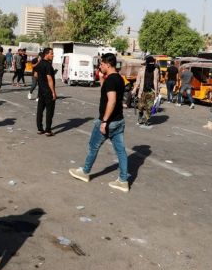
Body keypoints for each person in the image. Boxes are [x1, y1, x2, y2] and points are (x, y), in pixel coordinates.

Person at [69, 53, 129, 193]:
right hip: (119, 120)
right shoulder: (118, 78)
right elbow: (107, 93)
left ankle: (85, 172)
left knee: (93, 147)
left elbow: (112, 100)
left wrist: (104, 121)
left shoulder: (111, 81)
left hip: (109, 122)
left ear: (108, 64)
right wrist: (102, 79)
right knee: (121, 151)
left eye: (101, 64)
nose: (99, 66)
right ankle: (123, 180)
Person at [34, 48, 57, 136]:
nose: (52, 55)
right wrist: (53, 92)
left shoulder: (39, 64)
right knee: (49, 111)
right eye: (51, 53)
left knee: (40, 110)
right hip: (48, 92)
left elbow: (35, 75)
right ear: (46, 54)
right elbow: (49, 79)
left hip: (41, 91)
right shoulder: (48, 65)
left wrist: (41, 81)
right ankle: (48, 130)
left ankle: (40, 129)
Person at [132, 55, 159, 126]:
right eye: (150, 63)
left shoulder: (156, 70)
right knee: (140, 106)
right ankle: (140, 117)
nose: (151, 64)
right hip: (142, 91)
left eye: (152, 63)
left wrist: (157, 92)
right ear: (147, 63)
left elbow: (156, 81)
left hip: (151, 92)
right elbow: (138, 81)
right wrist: (134, 89)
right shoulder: (141, 70)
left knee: (149, 107)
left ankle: (146, 119)